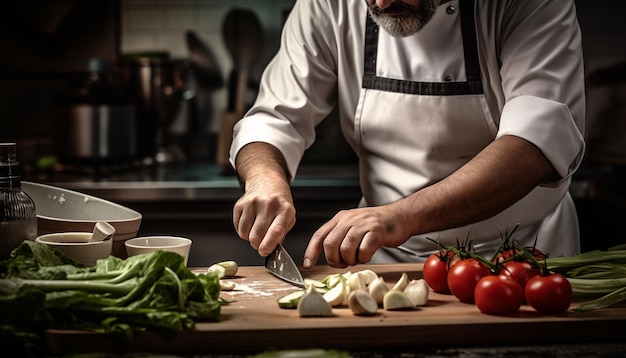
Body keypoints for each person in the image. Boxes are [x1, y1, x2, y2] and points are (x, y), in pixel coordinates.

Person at [229, 0, 586, 269]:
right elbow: (275, 117)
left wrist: (401, 216)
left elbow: (532, 147)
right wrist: (264, 179)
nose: (383, 3)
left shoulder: (525, 5)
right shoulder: (328, 5)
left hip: (521, 257)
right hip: (382, 257)